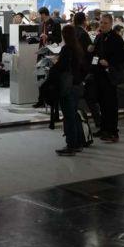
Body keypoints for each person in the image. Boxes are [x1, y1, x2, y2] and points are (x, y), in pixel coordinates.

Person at [53, 24, 88, 156]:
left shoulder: (67, 49)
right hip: (77, 85)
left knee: (69, 117)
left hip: (68, 86)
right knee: (74, 115)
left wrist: (55, 64)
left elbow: (61, 67)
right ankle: (78, 143)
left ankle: (71, 145)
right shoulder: (78, 48)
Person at [92, 14, 124, 141]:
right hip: (99, 74)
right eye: (101, 22)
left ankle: (113, 131)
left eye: (105, 23)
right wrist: (93, 62)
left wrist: (109, 62)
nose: (102, 25)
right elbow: (95, 54)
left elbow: (123, 57)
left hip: (110, 75)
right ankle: (104, 128)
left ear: (111, 24)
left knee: (110, 104)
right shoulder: (99, 37)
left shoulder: (116, 38)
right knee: (102, 103)